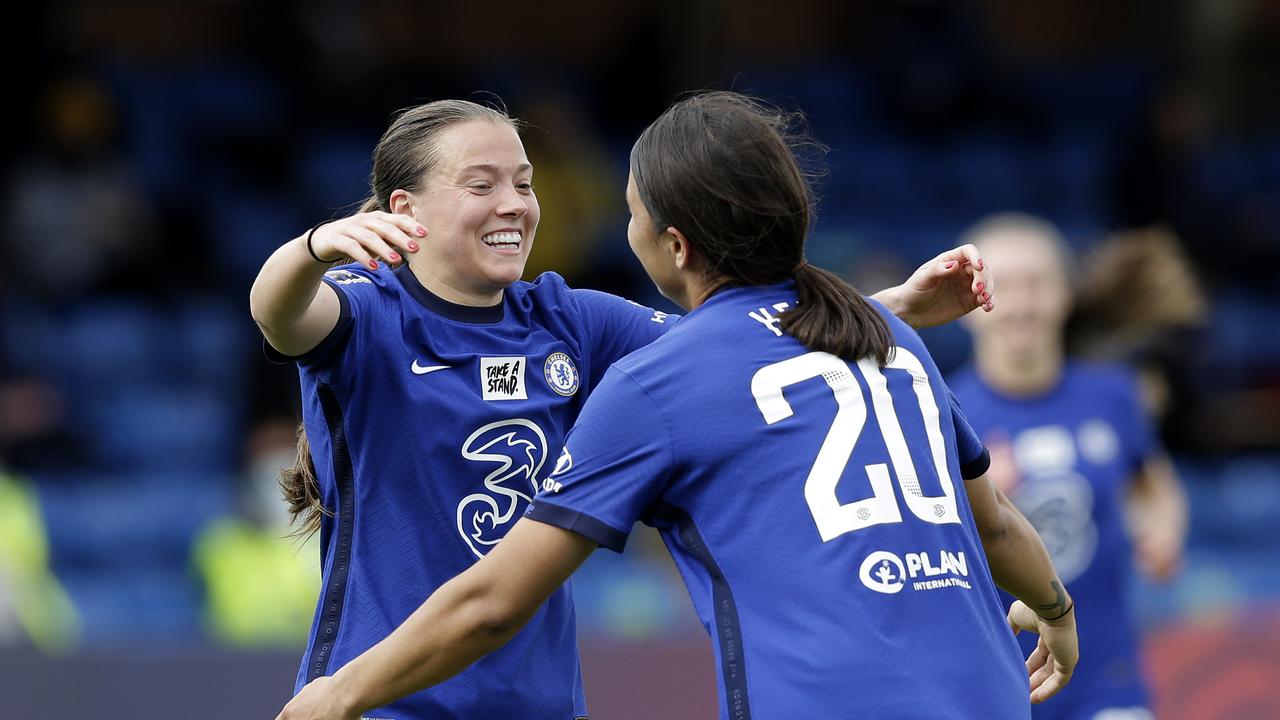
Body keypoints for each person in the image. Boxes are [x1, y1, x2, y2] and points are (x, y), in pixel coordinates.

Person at [275, 92, 1077, 720]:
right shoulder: (892, 347)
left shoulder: (606, 348)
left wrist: (339, 694)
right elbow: (991, 517)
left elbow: (493, 602)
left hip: (740, 700)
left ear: (675, 244)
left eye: (524, 182)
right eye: (483, 183)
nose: (518, 202)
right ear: (401, 210)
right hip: (988, 692)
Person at [948, 214, 1189, 720]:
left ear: (1065, 295)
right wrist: (980, 507)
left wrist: (1162, 533)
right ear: (969, 305)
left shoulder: (1114, 394)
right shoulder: (942, 413)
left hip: (1108, 679)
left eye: (1038, 283)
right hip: (998, 688)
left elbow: (1152, 481)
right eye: (1002, 285)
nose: (1022, 303)